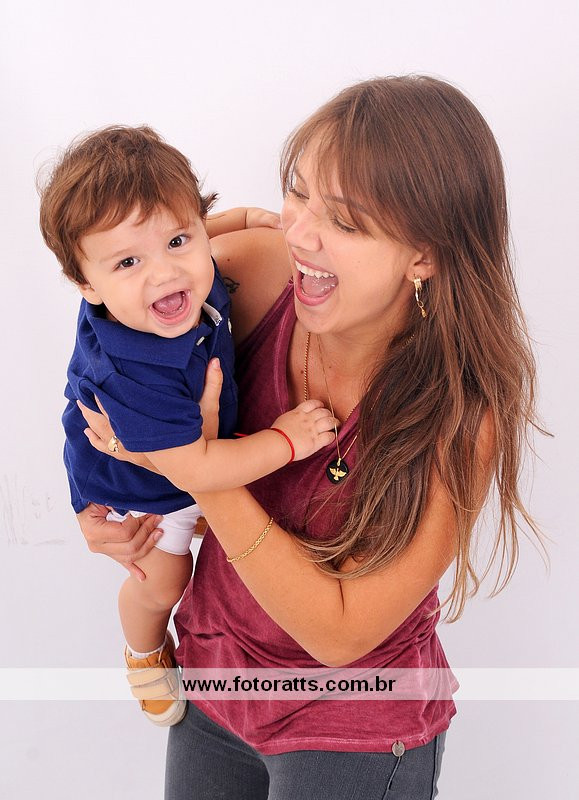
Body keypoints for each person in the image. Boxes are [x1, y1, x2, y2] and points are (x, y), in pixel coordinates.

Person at [76, 76, 543, 799]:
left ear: (423, 255)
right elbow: (115, 309)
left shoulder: (457, 419)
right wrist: (100, 493)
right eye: (298, 194)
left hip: (355, 725)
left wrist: (199, 472)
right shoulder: (256, 272)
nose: (298, 234)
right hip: (214, 686)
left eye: (346, 223)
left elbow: (340, 636)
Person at [38, 126, 335, 727]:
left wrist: (244, 218)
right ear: (87, 285)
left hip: (180, 441)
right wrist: (286, 440)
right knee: (165, 577)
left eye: (179, 239)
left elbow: (181, 239)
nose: (164, 273)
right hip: (138, 481)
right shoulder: (136, 371)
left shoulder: (183, 275)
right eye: (128, 262)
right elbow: (194, 467)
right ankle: (144, 648)